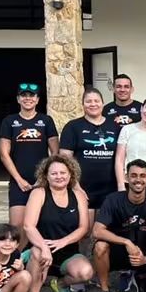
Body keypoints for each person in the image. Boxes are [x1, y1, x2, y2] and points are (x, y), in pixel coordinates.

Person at [21, 155, 94, 292]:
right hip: (41, 246)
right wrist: (45, 248)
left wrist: (63, 242)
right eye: (54, 173)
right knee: (38, 254)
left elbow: (84, 228)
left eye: (63, 172)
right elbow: (28, 226)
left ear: (70, 175)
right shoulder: (39, 193)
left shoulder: (78, 196)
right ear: (46, 175)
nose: (59, 176)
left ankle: (60, 284)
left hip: (67, 250)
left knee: (86, 272)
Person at [92, 159, 146, 292]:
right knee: (100, 247)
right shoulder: (113, 200)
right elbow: (97, 231)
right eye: (133, 175)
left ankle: (140, 276)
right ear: (127, 178)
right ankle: (104, 291)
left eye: (142, 175)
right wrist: (127, 243)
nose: (138, 180)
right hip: (119, 251)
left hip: (143, 252)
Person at [0, 82, 59, 230]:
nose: (28, 99)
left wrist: (43, 177)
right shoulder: (9, 121)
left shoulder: (46, 121)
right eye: (23, 96)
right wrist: (19, 179)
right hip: (18, 182)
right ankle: (17, 254)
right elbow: (4, 154)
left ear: (37, 100)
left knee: (41, 223)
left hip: (42, 181)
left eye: (32, 96)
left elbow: (55, 153)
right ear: (18, 99)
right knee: (17, 225)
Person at [59, 87, 120, 222]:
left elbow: (122, 156)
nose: (93, 104)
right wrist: (75, 185)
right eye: (88, 101)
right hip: (83, 187)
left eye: (96, 101)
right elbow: (64, 159)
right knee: (84, 230)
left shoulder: (115, 126)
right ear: (83, 105)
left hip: (110, 189)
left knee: (106, 230)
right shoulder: (73, 127)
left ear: (103, 103)